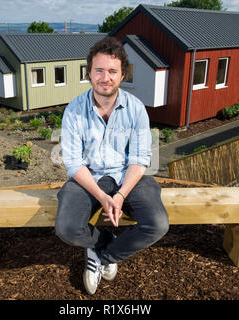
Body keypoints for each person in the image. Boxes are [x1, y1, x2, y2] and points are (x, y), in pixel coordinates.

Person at [55, 36, 169, 295]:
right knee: (67, 228)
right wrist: (103, 197)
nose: (105, 77)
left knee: (158, 223)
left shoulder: (137, 109)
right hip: (88, 177)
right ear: (89, 73)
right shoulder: (73, 110)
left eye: (112, 71)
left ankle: (103, 257)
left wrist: (119, 195)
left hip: (128, 177)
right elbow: (73, 162)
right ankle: (103, 242)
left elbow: (140, 159)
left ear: (122, 75)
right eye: (99, 70)